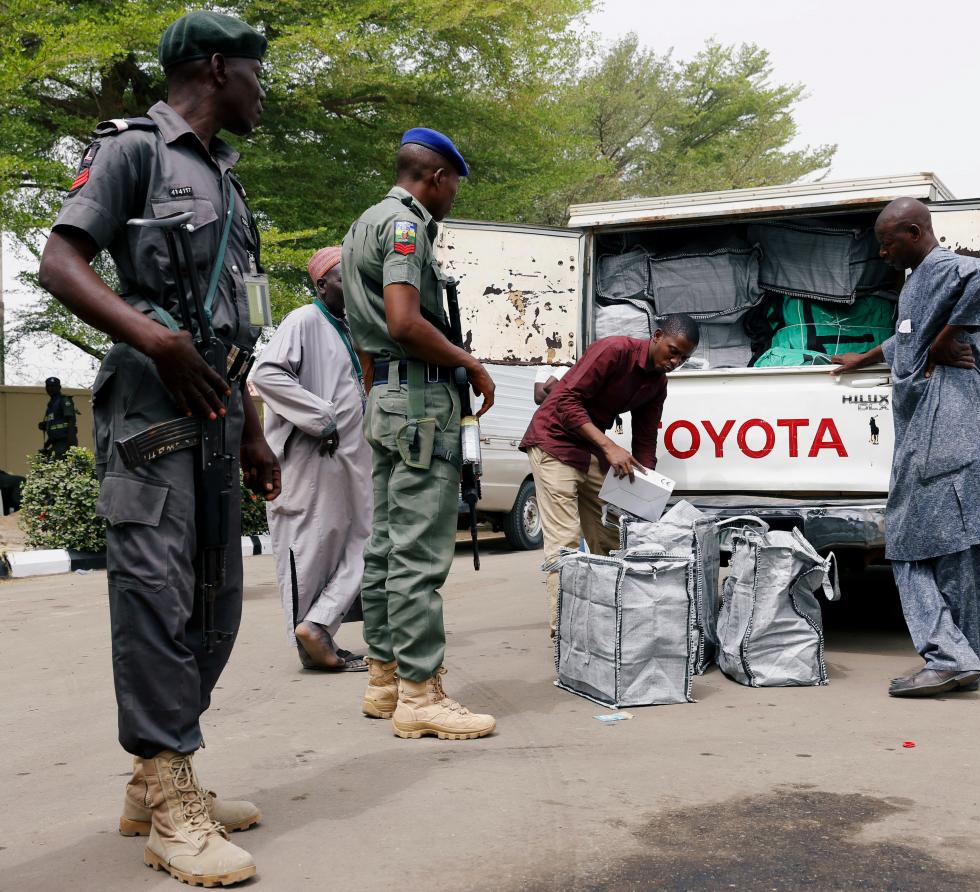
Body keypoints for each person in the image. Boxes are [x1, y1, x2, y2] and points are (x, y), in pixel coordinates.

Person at [37, 10, 279, 886]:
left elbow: (235, 315)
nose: (264, 89)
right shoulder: (136, 149)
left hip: (215, 410)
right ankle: (171, 802)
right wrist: (154, 341)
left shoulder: (228, 177)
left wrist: (251, 428)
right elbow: (60, 263)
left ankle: (155, 780)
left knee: (214, 601)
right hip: (150, 411)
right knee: (154, 593)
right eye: (256, 71)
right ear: (216, 68)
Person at [341, 127, 498, 741]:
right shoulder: (406, 227)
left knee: (384, 545)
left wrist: (386, 392)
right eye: (454, 182)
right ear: (434, 177)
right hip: (420, 401)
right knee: (420, 553)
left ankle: (383, 680)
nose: (454, 194)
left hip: (386, 398)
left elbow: (369, 337)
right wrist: (468, 361)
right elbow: (405, 323)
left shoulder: (361, 226)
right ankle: (420, 694)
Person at [832, 198, 980, 698]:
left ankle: (947, 657)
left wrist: (951, 336)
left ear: (915, 232)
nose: (882, 250)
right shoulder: (917, 281)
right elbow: (908, 339)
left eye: (888, 241)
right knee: (955, 550)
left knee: (908, 545)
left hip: (948, 428)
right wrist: (867, 356)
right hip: (951, 430)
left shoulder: (942, 267)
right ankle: (963, 662)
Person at [520, 316, 699, 634]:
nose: (674, 362)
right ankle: (566, 629)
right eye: (672, 352)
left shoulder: (657, 383)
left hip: (589, 447)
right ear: (656, 337)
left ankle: (609, 620)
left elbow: (645, 440)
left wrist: (644, 492)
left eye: (682, 359)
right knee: (565, 541)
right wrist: (608, 446)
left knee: (611, 536)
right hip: (553, 440)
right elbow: (565, 400)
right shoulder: (614, 350)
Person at [251, 246, 371, 673]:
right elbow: (265, 374)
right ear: (322, 284)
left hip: (344, 459)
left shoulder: (346, 326)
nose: (353, 286)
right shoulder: (305, 319)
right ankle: (314, 632)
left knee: (358, 542)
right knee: (309, 548)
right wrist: (322, 418)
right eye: (344, 278)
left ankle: (318, 628)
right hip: (309, 456)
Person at [38, 377, 79, 457]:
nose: (50, 389)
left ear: (59, 387)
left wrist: (71, 445)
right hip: (54, 442)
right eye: (48, 386)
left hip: (65, 441)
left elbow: (71, 420)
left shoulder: (64, 400)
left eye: (53, 386)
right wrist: (45, 425)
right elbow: (55, 422)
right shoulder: (51, 404)